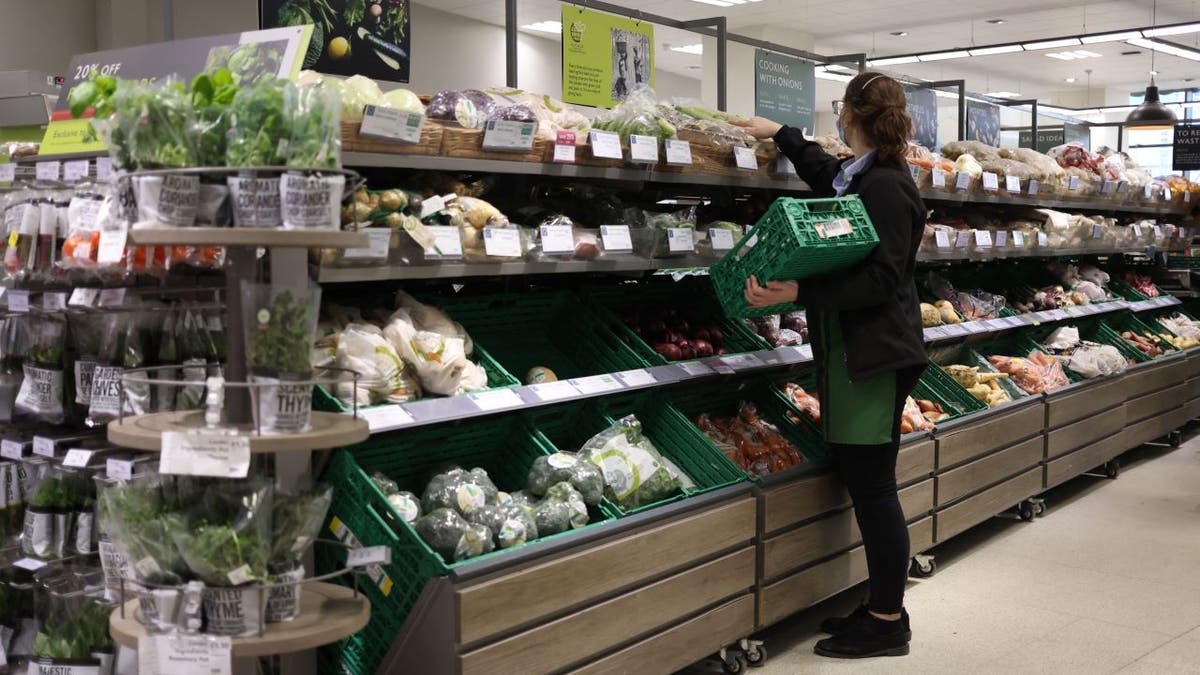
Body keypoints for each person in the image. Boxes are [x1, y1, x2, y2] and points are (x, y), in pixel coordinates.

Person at [733, 72, 927, 659]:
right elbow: (828, 177)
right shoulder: (866, 174)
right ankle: (879, 604)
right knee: (867, 480)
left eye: (840, 109)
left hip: (872, 355)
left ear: (850, 114)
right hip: (854, 351)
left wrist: (797, 294)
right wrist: (784, 136)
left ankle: (888, 619)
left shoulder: (889, 187)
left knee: (874, 489)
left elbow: (882, 278)